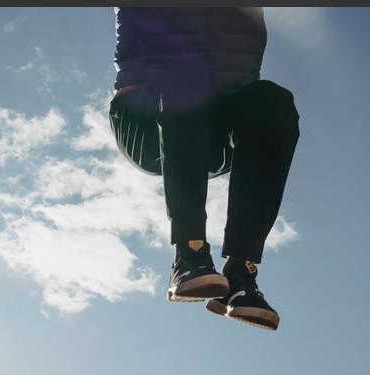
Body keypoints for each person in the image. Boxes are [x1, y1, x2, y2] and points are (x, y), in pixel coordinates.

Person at [109, 8, 300, 331]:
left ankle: (241, 273)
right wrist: (128, 85)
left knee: (273, 100)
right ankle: (189, 254)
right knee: (187, 74)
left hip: (213, 132)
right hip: (147, 119)